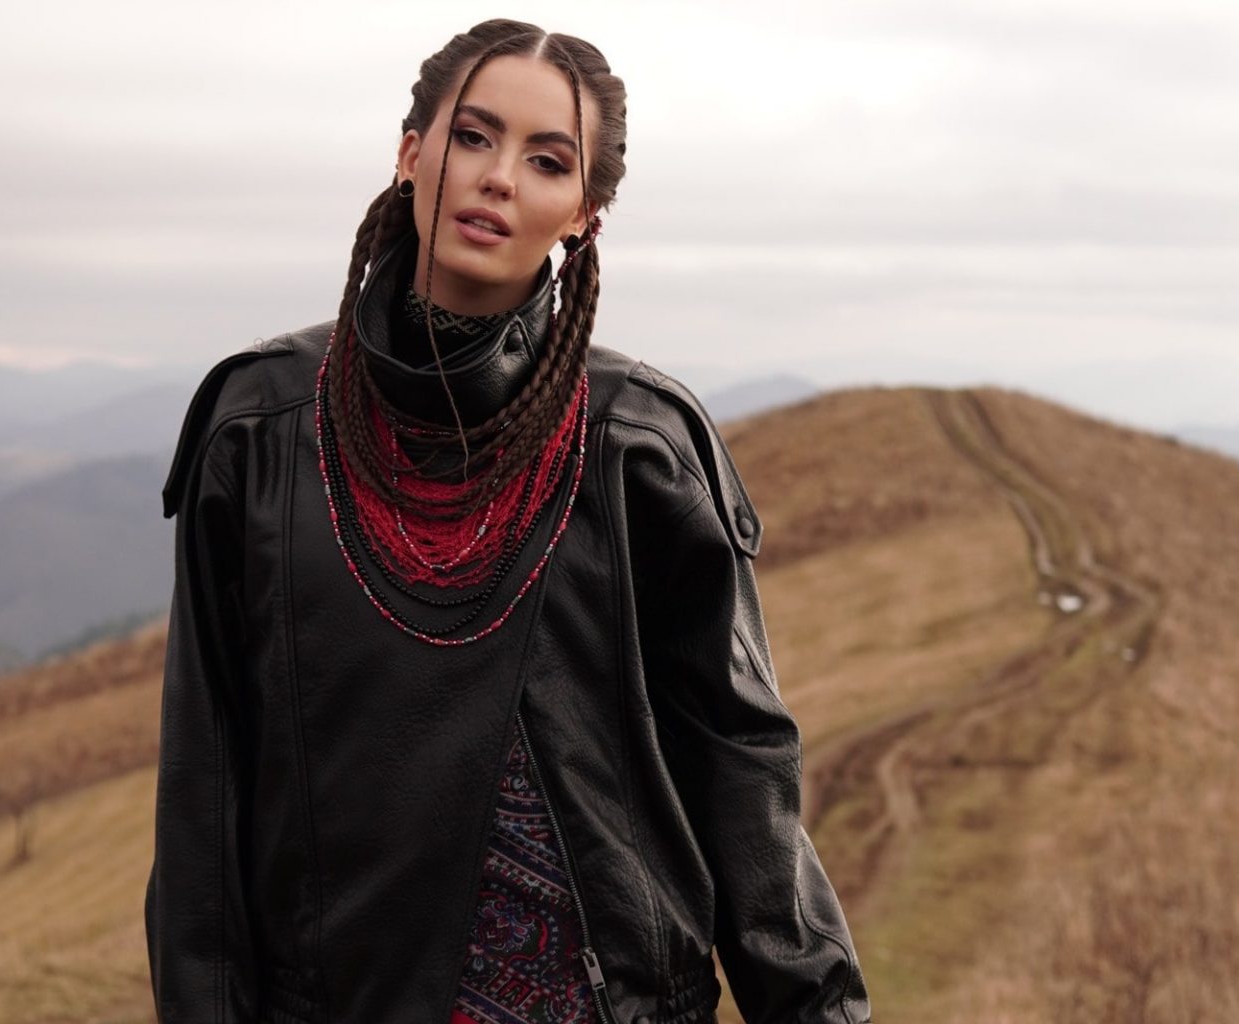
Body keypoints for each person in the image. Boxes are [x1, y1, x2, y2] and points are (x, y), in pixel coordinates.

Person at [145, 18, 872, 1024]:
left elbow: (741, 770)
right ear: (412, 152)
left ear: (584, 212)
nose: (497, 178)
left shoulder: (637, 446)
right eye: (473, 136)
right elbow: (204, 799)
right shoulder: (260, 431)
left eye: (547, 160)